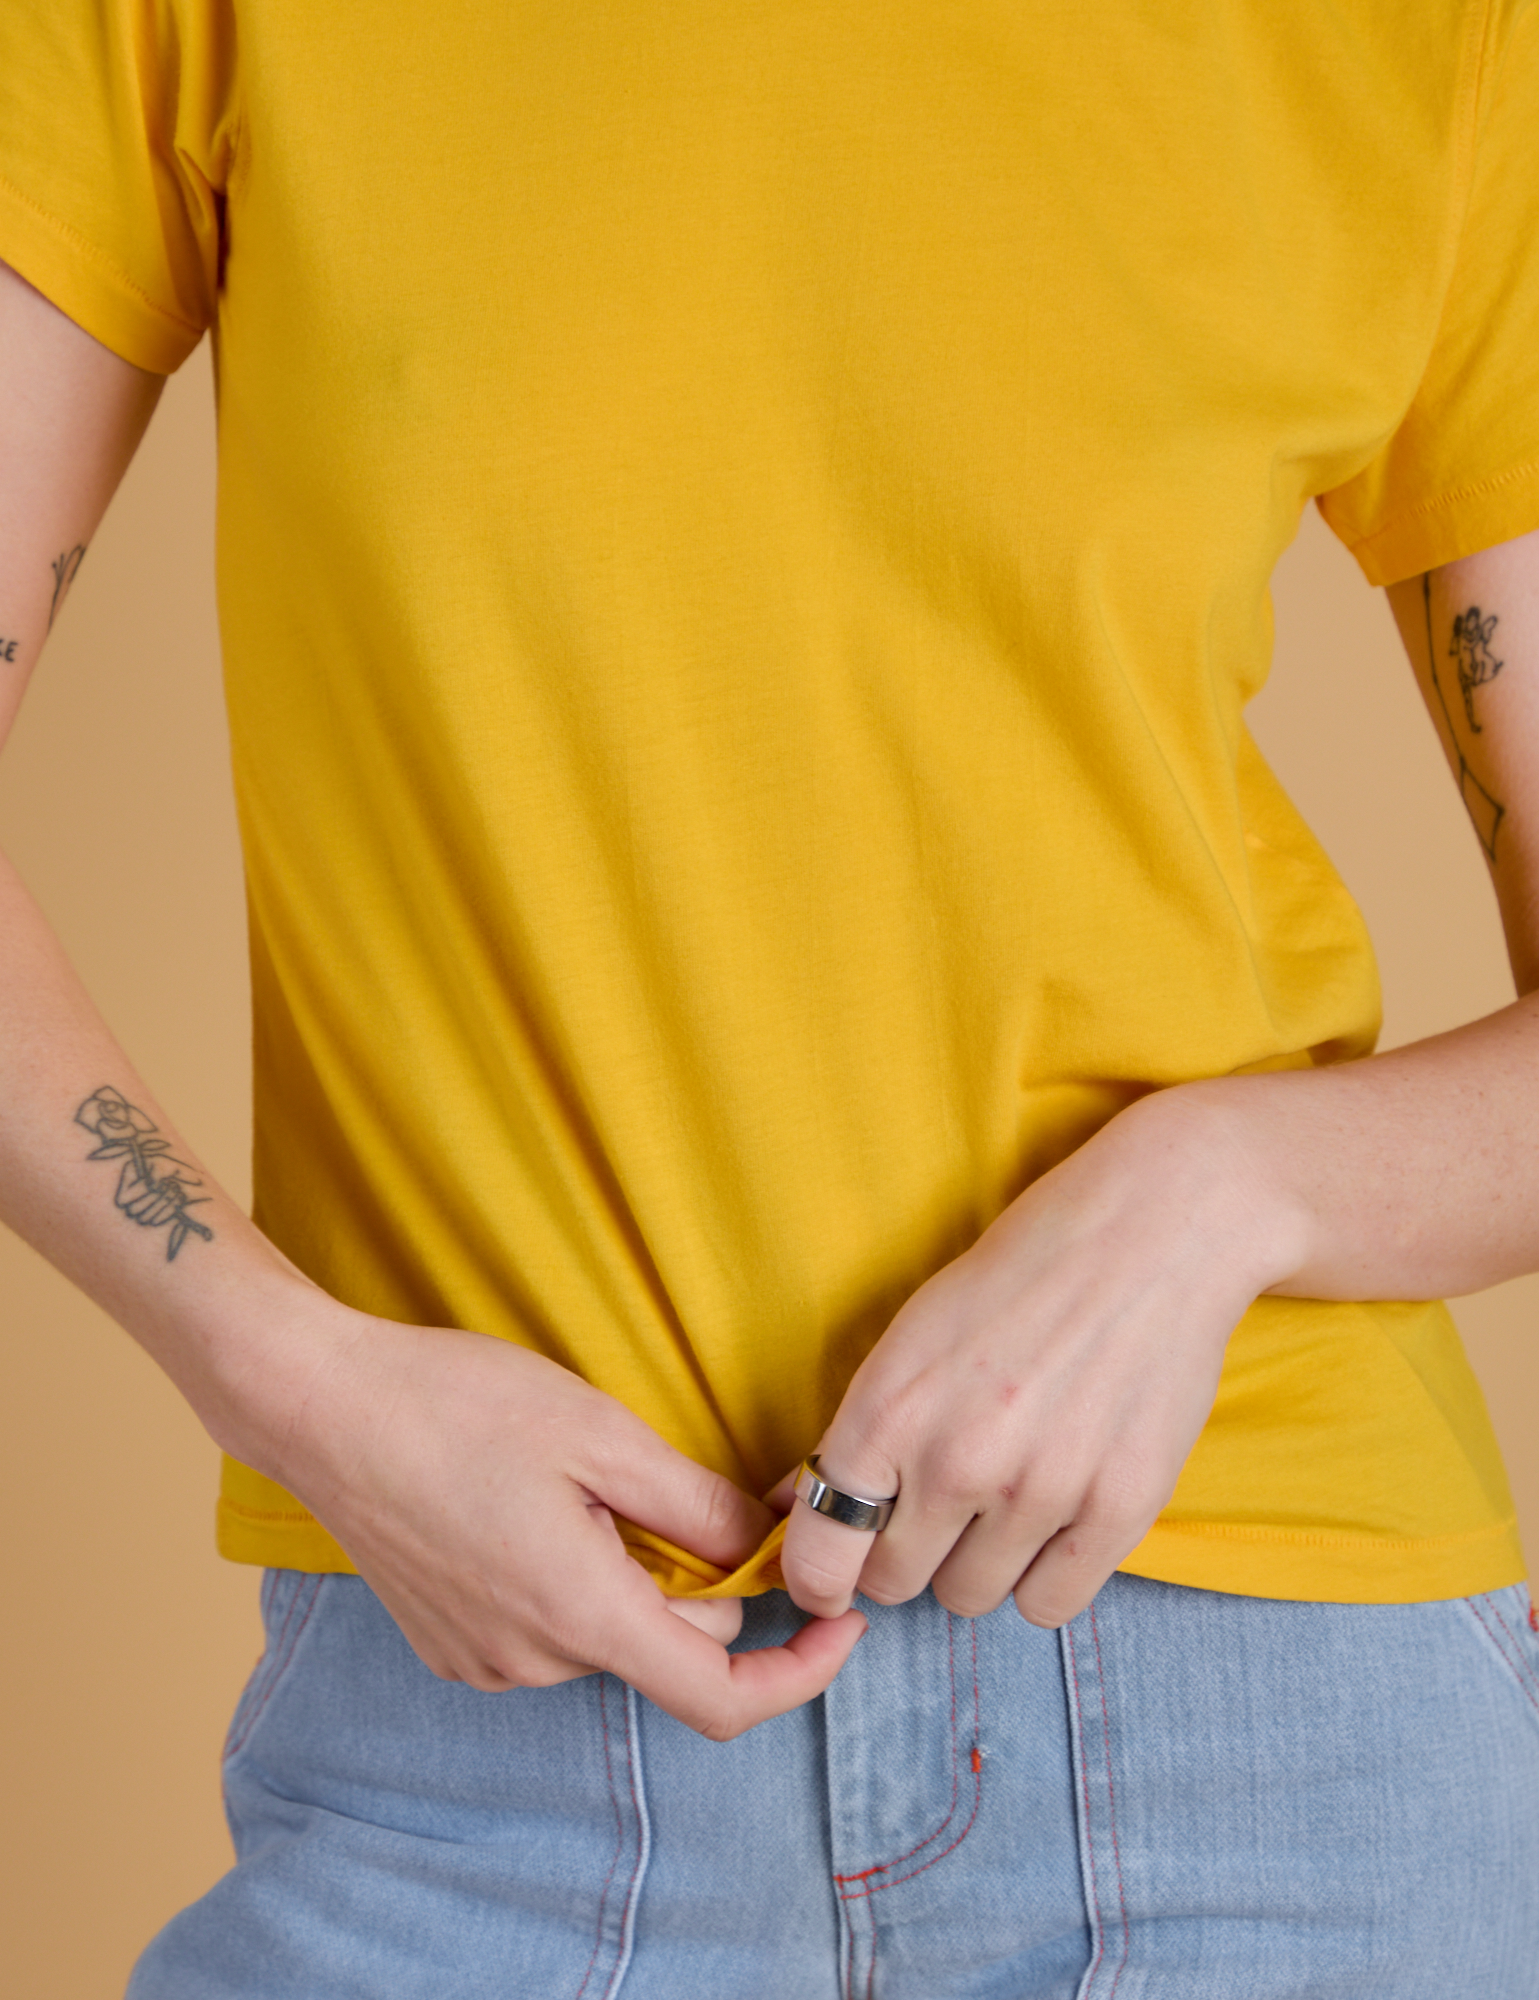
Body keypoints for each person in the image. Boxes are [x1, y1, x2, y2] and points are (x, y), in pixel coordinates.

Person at [3, 1, 1539, 1993]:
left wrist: (1223, 1189)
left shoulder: (1418, 41)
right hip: (488, 1722)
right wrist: (290, 1379)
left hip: (1264, 1731)